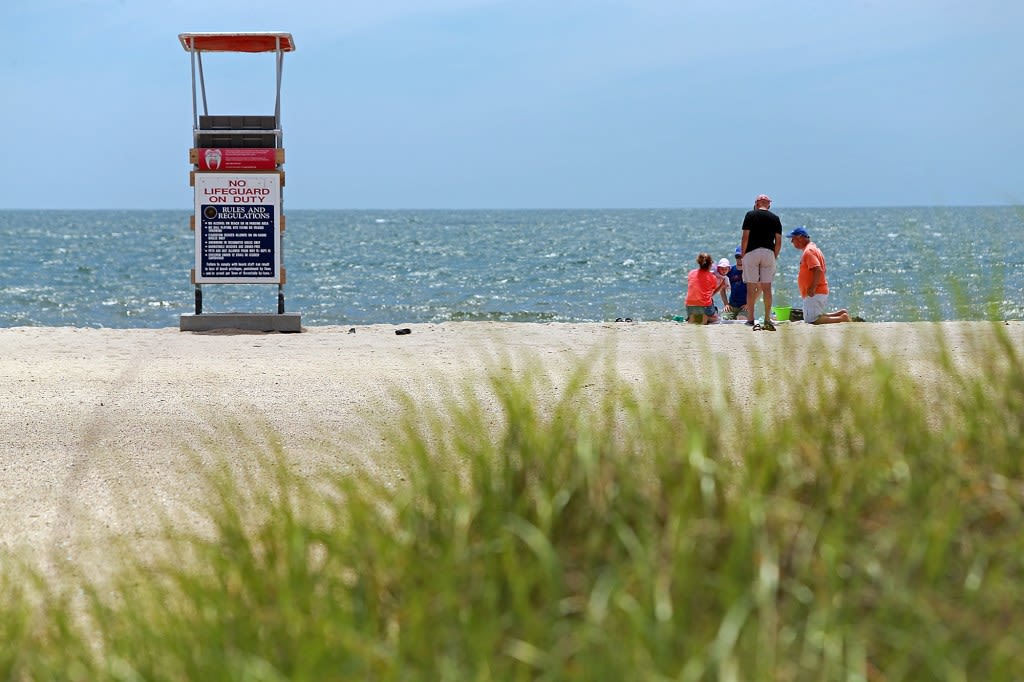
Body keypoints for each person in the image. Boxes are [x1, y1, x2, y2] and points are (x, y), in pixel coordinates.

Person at [785, 226, 852, 324]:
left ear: (800, 238)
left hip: (815, 292)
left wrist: (812, 287)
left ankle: (842, 318)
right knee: (814, 316)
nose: (792, 242)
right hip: (819, 290)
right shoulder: (814, 249)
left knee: (811, 320)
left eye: (793, 239)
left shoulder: (809, 252)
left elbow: (818, 270)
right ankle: (840, 314)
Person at [739, 194, 782, 331]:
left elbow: (745, 237)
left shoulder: (750, 215)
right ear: (768, 204)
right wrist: (773, 255)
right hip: (768, 252)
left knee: (751, 288)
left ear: (756, 203)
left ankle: (751, 318)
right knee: (767, 288)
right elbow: (778, 242)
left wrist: (743, 254)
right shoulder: (775, 218)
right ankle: (767, 318)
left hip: (752, 252)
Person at [684, 252, 720, 324]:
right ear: (710, 264)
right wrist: (722, 285)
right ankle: (706, 318)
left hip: (689, 305)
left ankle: (692, 317)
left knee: (695, 310)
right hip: (704, 307)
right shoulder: (712, 277)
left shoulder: (691, 273)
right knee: (716, 318)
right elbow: (712, 292)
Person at [722, 246, 748, 320]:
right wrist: (726, 304)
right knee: (724, 319)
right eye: (737, 257)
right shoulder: (730, 270)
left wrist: (749, 304)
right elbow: (722, 288)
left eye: (741, 256)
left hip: (745, 307)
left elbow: (758, 288)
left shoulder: (749, 271)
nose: (739, 259)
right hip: (732, 305)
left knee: (741, 319)